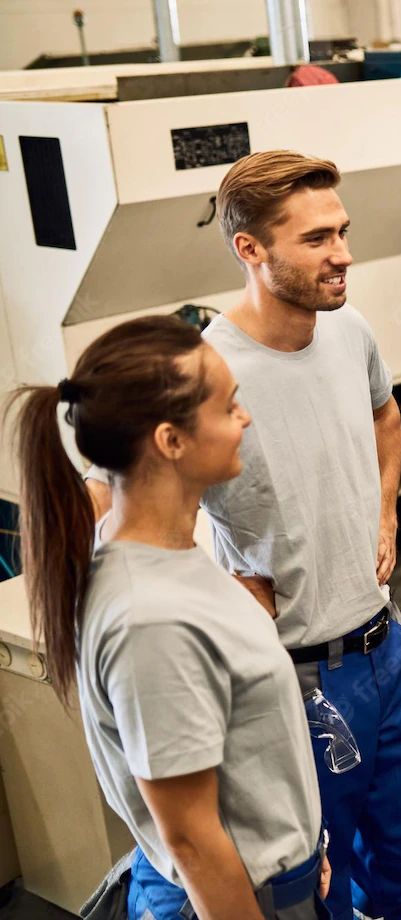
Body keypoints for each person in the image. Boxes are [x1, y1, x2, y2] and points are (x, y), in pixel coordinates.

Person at [87, 150, 401, 919]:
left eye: (343, 231)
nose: (343, 254)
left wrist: (383, 512)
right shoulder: (207, 373)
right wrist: (217, 584)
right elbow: (115, 500)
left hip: (389, 651)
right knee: (319, 892)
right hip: (301, 678)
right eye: (317, 239)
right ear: (251, 249)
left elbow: (387, 419)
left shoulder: (350, 335)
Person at [12, 317, 329, 919]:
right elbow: (190, 839)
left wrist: (300, 848)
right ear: (170, 440)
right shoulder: (149, 620)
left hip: (278, 879)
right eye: (228, 406)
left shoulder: (164, 549)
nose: (246, 419)